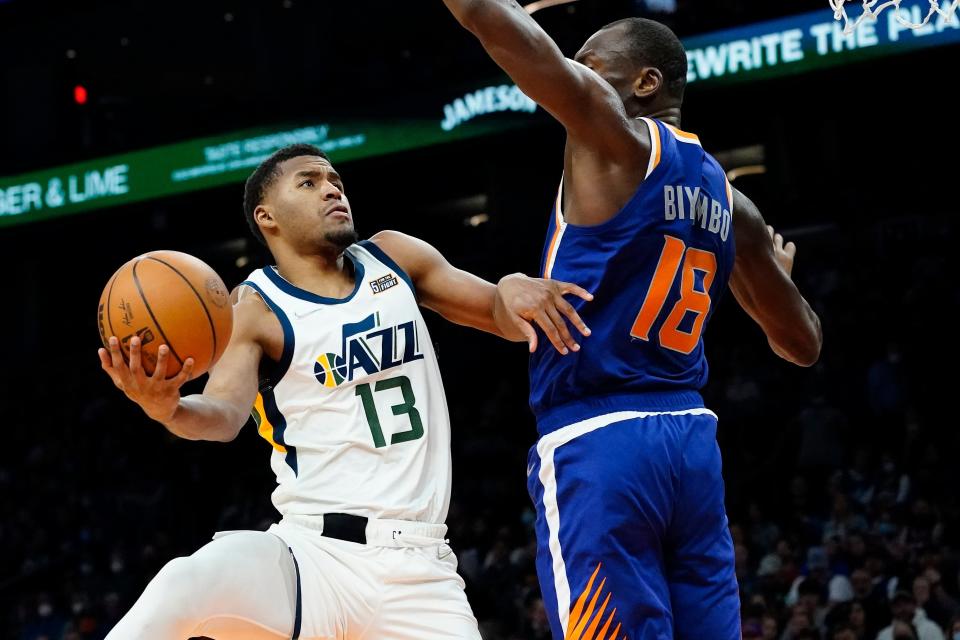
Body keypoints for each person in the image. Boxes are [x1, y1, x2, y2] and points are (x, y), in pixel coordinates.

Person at [97, 143, 591, 639]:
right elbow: (223, 415)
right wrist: (168, 407)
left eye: (334, 179)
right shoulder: (255, 306)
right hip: (312, 555)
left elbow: (499, 315)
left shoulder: (393, 257)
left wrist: (510, 288)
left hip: (420, 569)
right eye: (308, 182)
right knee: (191, 580)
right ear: (266, 217)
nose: (332, 188)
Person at [443, 4, 823, 638]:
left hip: (601, 437)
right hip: (690, 442)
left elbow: (490, 21)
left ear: (645, 82)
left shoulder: (611, 137)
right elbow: (802, 344)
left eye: (589, 63)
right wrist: (775, 279)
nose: (575, 70)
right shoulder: (735, 205)